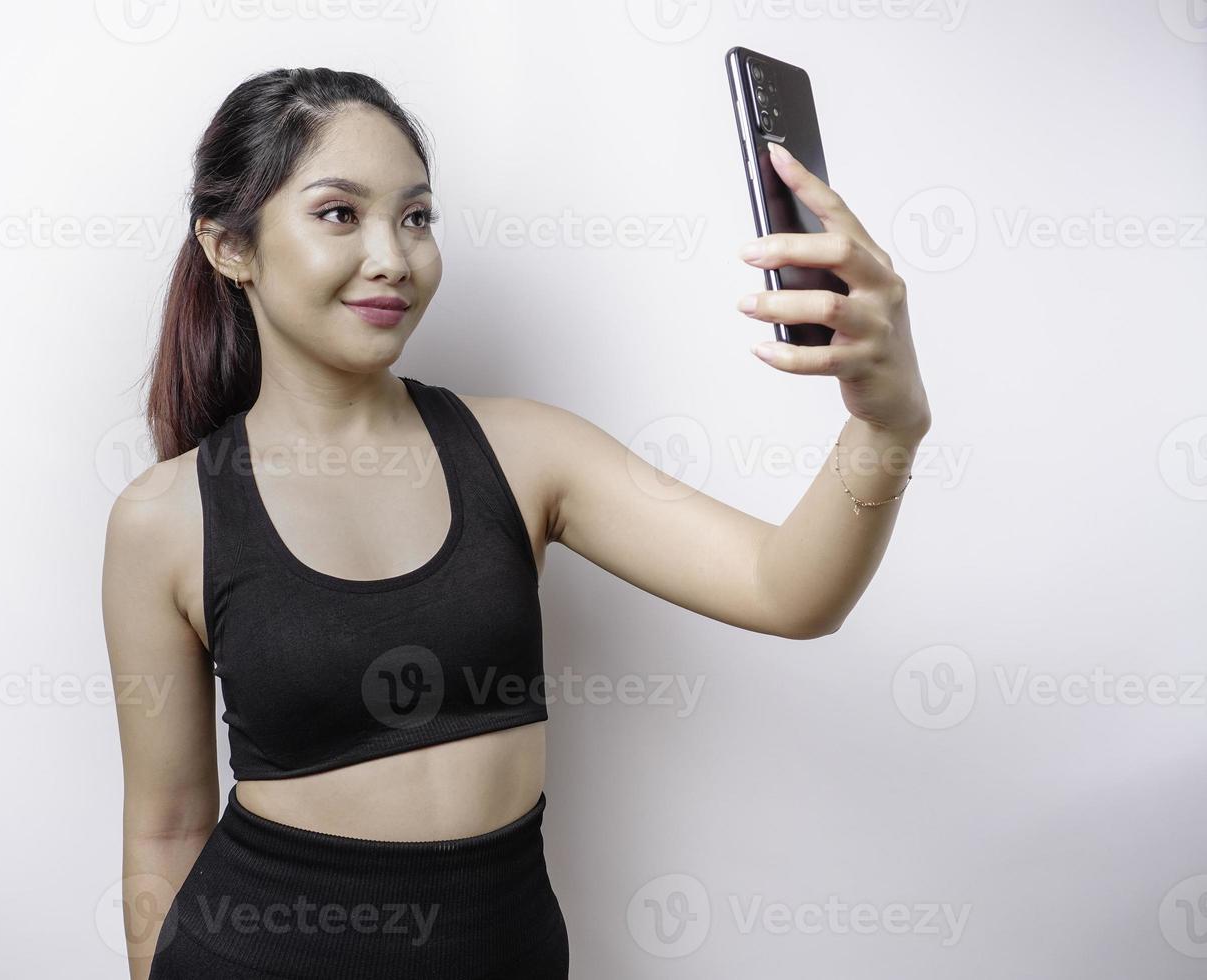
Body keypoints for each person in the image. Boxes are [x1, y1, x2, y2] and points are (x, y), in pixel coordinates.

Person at [102, 66, 930, 979]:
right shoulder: (164, 518)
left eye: (416, 217)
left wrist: (885, 424)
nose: (393, 257)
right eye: (339, 213)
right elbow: (167, 828)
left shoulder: (526, 452)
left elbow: (789, 591)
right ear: (230, 248)